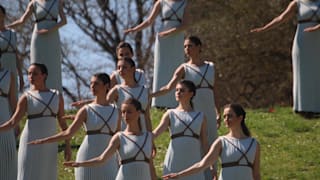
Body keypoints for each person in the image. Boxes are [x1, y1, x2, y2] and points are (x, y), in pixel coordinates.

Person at [28, 73, 120, 180]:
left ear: (107, 86)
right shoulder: (86, 110)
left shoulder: (116, 111)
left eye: (96, 84)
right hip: (87, 154)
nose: (92, 87)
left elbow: (118, 137)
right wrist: (43, 141)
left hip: (108, 159)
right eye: (91, 84)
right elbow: (68, 133)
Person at [0, 63, 71, 180]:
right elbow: (13, 122)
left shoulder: (56, 95)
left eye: (35, 73)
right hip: (29, 143)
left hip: (50, 144)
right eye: (29, 73)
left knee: (48, 174)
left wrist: (67, 146)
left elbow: (63, 124)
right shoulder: (26, 97)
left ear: (44, 76)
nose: (31, 76)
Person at [250, 0, 320, 118]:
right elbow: (281, 18)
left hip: (318, 40)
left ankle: (317, 107)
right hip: (302, 42)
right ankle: (303, 108)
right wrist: (265, 28)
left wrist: (317, 27)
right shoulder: (297, 3)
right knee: (303, 74)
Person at [64, 98, 157, 180]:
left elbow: (151, 168)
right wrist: (80, 164)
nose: (125, 115)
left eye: (129, 112)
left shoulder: (148, 137)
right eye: (123, 112)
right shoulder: (119, 137)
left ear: (139, 112)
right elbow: (101, 159)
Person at [163, 103, 261, 180]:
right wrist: (179, 175)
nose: (226, 119)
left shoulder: (254, 144)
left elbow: (256, 174)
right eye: (224, 116)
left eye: (230, 116)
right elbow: (202, 164)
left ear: (240, 118)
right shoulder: (221, 142)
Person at [152, 36, 220, 146]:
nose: (187, 49)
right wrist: (151, 95)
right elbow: (169, 87)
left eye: (190, 46)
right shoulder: (184, 68)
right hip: (194, 107)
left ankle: (212, 164)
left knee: (211, 139)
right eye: (185, 46)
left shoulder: (210, 66)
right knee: (197, 139)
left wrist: (218, 111)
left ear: (198, 47)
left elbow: (215, 90)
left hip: (209, 108)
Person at [124, 0, 189, 108]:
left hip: (177, 37)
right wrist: (134, 29)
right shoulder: (161, 2)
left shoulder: (184, 3)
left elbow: (185, 24)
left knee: (176, 67)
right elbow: (149, 21)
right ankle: (159, 102)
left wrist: (171, 32)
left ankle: (176, 101)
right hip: (163, 39)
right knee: (161, 68)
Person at [73, 57, 152, 132]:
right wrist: (82, 116)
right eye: (118, 68)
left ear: (133, 68)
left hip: (143, 132)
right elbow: (103, 104)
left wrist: (151, 139)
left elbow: (147, 117)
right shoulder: (117, 90)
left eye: (124, 67)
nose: (121, 70)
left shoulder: (145, 90)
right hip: (124, 131)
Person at [153, 80, 211, 180]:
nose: (178, 93)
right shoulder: (170, 113)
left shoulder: (200, 116)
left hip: (194, 159)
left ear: (191, 94)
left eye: (182, 90)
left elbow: (205, 143)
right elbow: (156, 132)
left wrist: (211, 165)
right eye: (177, 90)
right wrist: (140, 138)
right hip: (174, 158)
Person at [7, 0, 67, 92]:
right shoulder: (34, 3)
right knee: (36, 63)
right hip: (38, 37)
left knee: (53, 65)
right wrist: (6, 27)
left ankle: (55, 94)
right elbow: (22, 21)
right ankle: (36, 93)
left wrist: (49, 30)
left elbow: (64, 21)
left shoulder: (57, 2)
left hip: (53, 37)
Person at [0, 4, 24, 95]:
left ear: (4, 15)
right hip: (1, 68)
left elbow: (16, 55)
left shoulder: (12, 33)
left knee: (13, 96)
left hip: (12, 67)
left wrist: (21, 76)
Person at [0, 60, 17, 180]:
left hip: (5, 115)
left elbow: (13, 101)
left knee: (7, 153)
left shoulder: (8, 74)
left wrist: (16, 122)